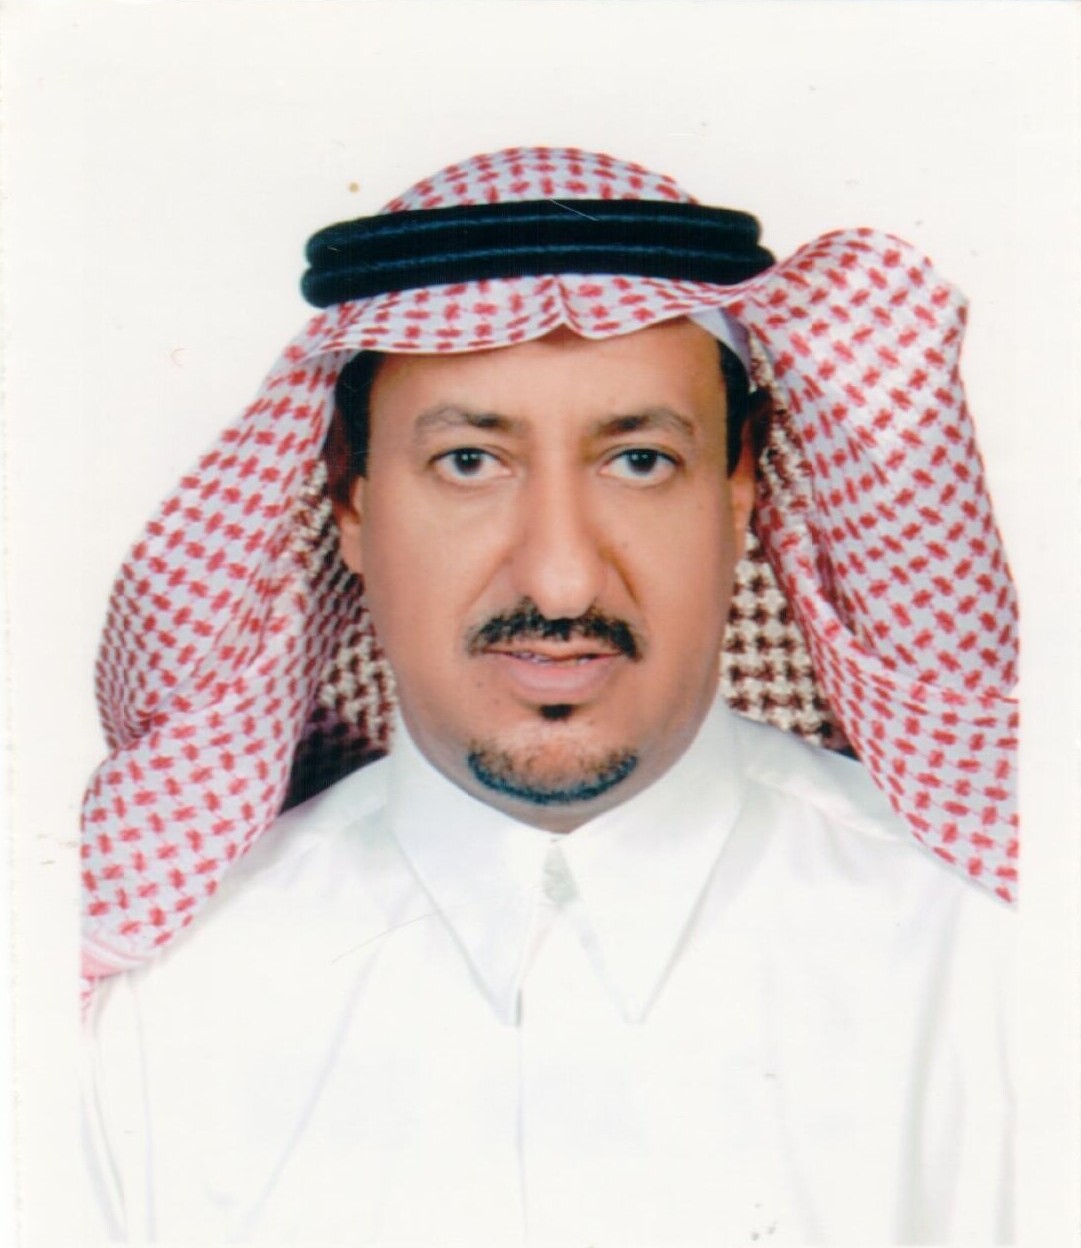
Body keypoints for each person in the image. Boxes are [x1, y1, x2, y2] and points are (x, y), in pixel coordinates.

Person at [81, 147, 1017, 1246]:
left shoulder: (992, 968)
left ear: (740, 488)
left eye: (639, 461)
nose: (563, 580)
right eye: (470, 462)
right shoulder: (152, 1021)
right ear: (349, 496)